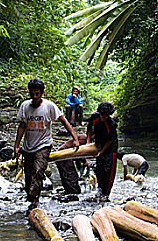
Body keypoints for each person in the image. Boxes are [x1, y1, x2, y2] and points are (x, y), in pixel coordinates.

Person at [14, 78, 79, 213]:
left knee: (38, 171)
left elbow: (64, 121)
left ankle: (33, 201)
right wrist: (16, 146)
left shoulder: (49, 106)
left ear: (42, 93)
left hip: (44, 144)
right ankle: (33, 198)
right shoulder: (25, 106)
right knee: (29, 176)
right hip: (28, 146)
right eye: (32, 94)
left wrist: (75, 138)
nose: (34, 96)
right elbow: (21, 126)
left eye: (37, 93)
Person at [86, 102, 118, 198]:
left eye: (106, 115)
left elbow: (110, 140)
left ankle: (106, 194)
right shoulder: (95, 117)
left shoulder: (111, 124)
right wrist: (88, 141)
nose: (104, 117)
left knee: (108, 169)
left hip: (110, 147)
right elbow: (89, 128)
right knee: (99, 168)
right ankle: (99, 190)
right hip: (99, 141)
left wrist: (101, 152)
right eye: (102, 115)